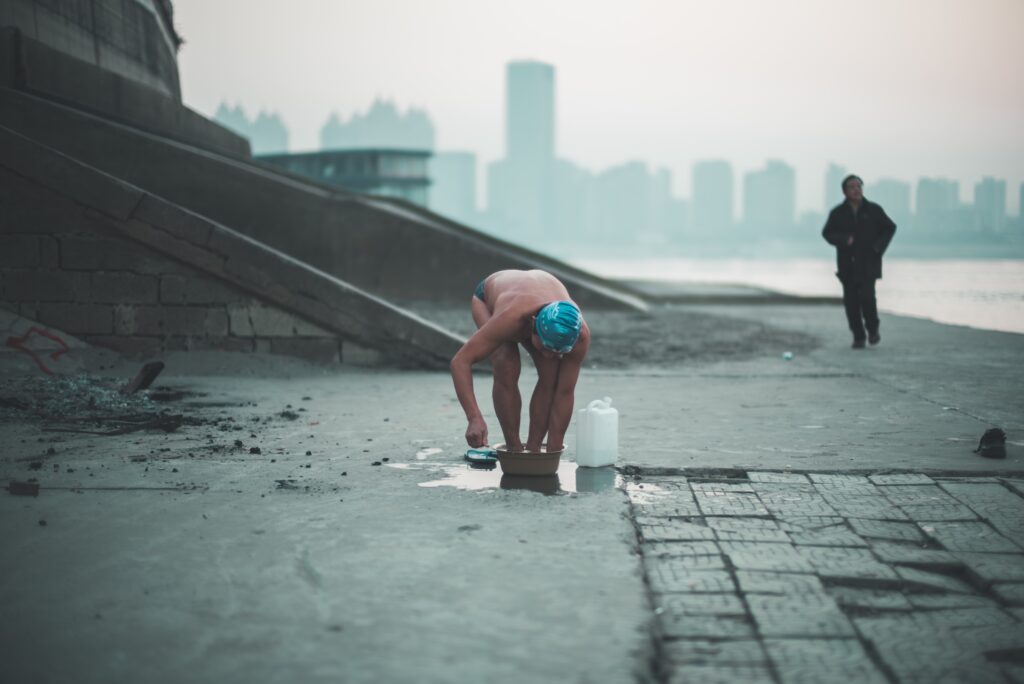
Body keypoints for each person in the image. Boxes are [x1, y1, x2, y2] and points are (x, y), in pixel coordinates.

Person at [450, 269, 590, 452]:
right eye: (546, 348)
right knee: (506, 362)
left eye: (560, 352)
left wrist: (553, 451)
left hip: (536, 296)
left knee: (551, 373)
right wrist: (474, 417)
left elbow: (564, 393)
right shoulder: (511, 318)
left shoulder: (579, 335)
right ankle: (513, 447)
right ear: (532, 325)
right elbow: (460, 362)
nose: (550, 355)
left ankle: (533, 448)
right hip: (488, 299)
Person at [822, 174, 897, 348]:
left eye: (859, 186)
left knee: (868, 298)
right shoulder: (837, 213)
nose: (857, 189)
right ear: (845, 191)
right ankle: (858, 336)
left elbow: (890, 228)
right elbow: (827, 233)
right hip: (847, 265)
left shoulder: (874, 210)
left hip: (868, 262)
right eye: (852, 187)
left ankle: (873, 330)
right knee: (851, 303)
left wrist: (878, 248)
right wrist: (843, 239)